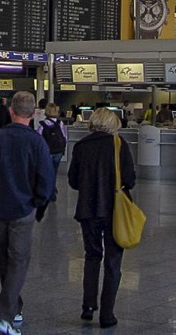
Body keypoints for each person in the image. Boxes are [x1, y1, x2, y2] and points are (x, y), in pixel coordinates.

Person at [0, 91, 55, 335]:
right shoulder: (37, 142)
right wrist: (37, 203)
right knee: (19, 261)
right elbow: (46, 181)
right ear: (33, 114)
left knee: (6, 260)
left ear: (11, 111)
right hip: (22, 210)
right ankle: (4, 316)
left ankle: (15, 308)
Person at [67, 108, 137, 328]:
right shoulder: (119, 145)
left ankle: (88, 306)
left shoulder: (81, 146)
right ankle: (107, 315)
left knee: (92, 256)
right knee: (113, 262)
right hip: (114, 211)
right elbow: (130, 179)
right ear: (113, 123)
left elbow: (73, 181)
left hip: (88, 210)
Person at [35, 103, 69, 176]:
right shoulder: (60, 123)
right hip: (58, 150)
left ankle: (48, 185)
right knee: (54, 170)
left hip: (47, 151)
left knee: (46, 172)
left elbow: (38, 138)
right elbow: (65, 137)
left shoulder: (42, 124)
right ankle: (53, 185)